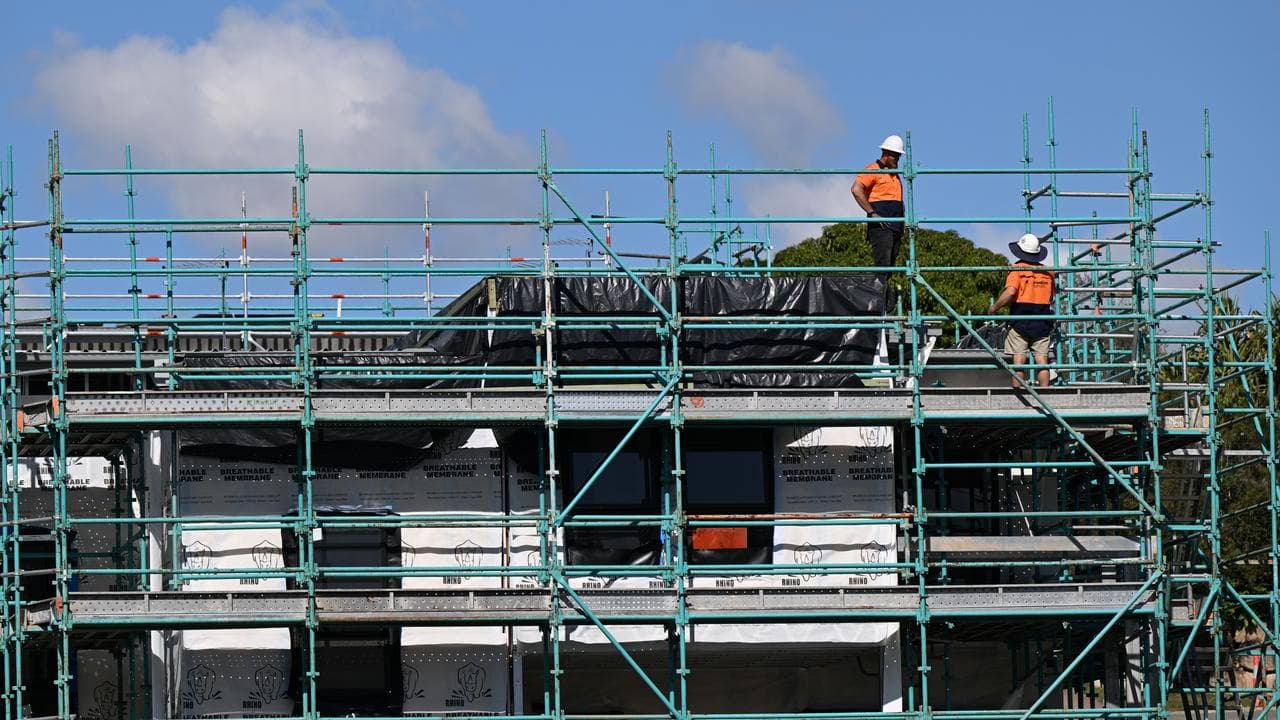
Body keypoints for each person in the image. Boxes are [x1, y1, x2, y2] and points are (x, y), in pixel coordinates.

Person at [988, 233, 1056, 387]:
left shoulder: (1017, 269)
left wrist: (994, 308)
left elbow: (1011, 292)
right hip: (1042, 318)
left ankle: (1018, 394)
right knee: (1042, 360)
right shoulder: (1048, 272)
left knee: (1019, 359)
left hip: (1020, 318)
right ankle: (1046, 394)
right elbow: (1051, 297)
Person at [851, 135, 905, 280]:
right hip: (881, 227)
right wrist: (872, 213)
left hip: (896, 227)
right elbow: (856, 189)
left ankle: (883, 299)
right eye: (895, 156)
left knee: (889, 270)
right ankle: (879, 300)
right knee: (882, 267)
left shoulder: (894, 174)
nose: (898, 159)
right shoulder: (872, 169)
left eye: (899, 156)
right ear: (886, 154)